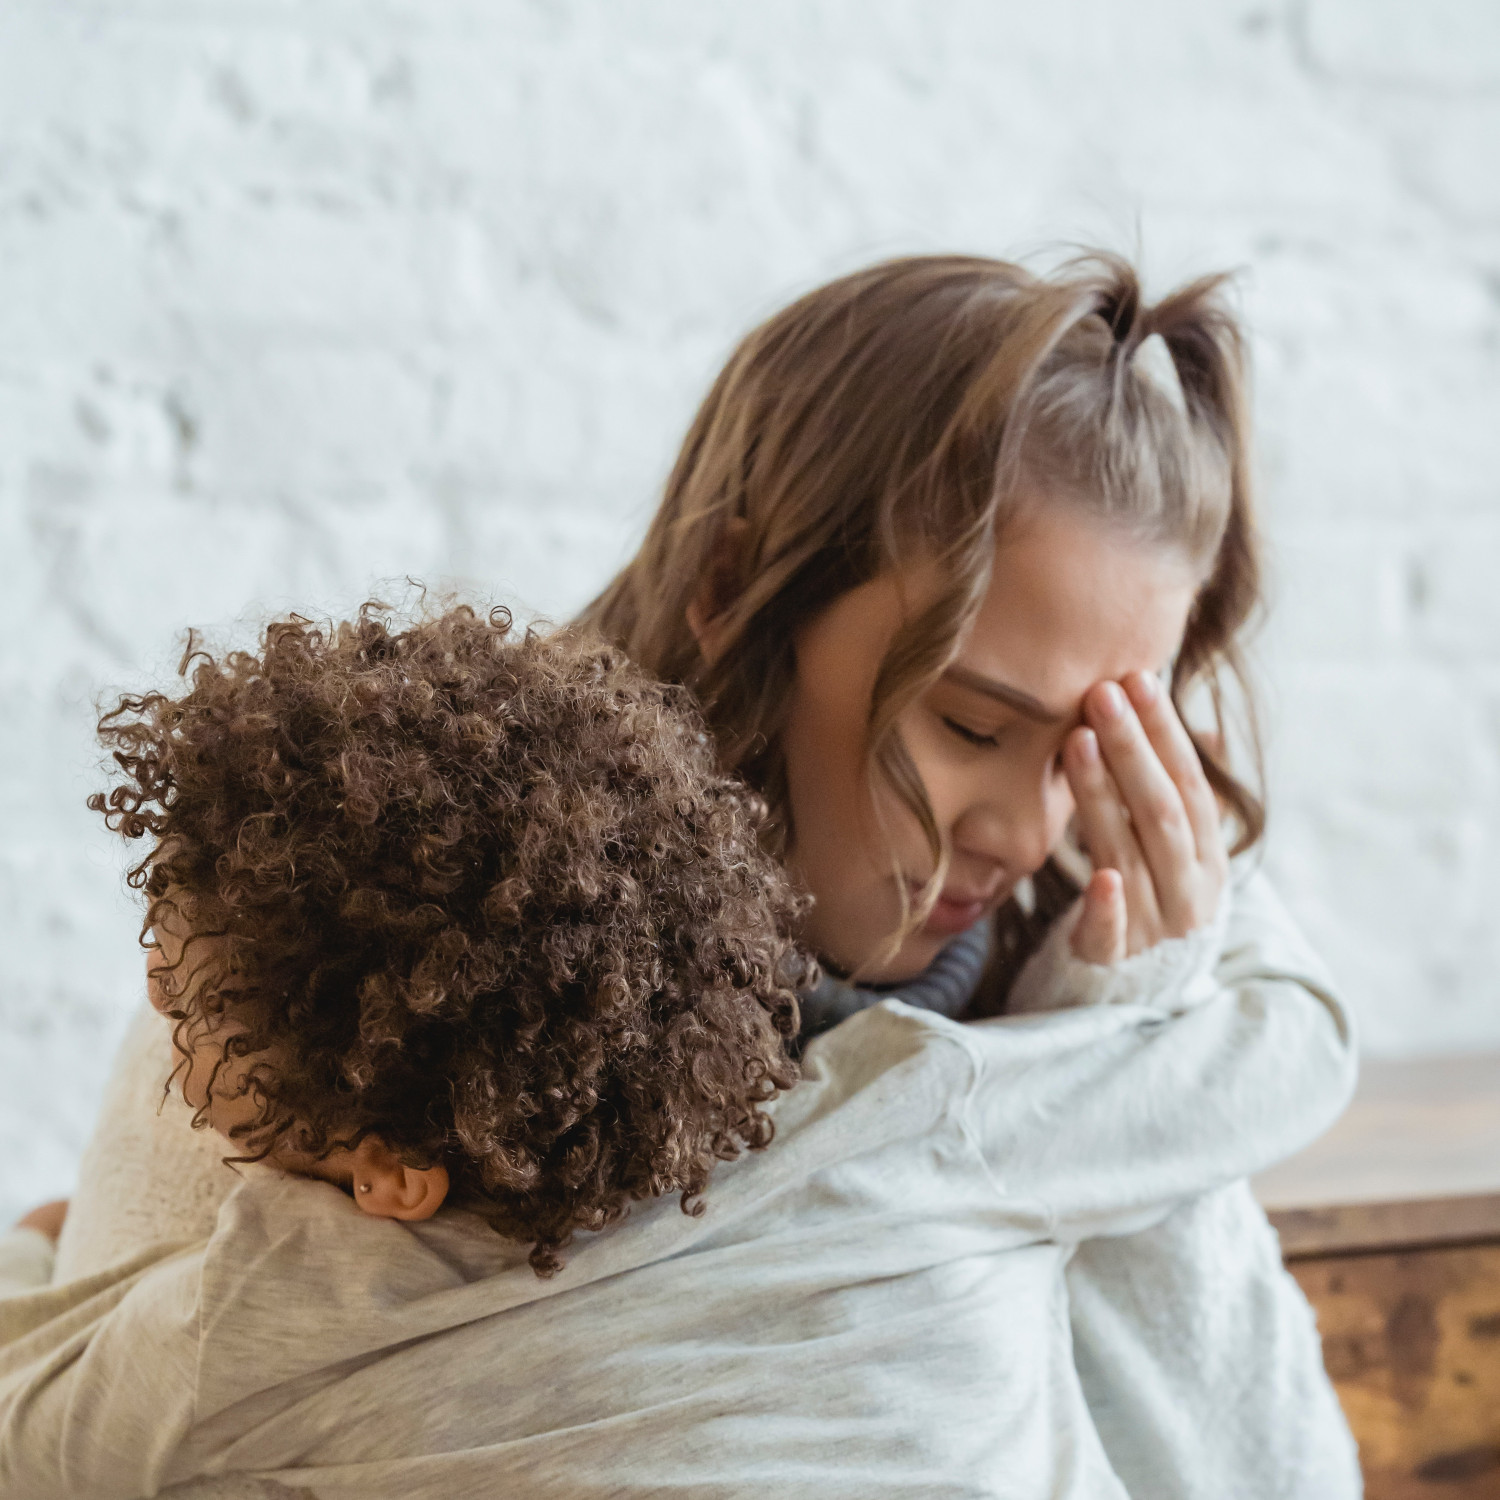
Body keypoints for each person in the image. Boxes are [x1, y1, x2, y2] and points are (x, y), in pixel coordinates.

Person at [4, 252, 1360, 1497]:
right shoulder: (384, 954)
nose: (1023, 828)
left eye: (1099, 750)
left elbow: (1265, 1472)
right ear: (734, 582)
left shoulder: (1115, 926)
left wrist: (1124, 1018)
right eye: (968, 725)